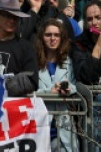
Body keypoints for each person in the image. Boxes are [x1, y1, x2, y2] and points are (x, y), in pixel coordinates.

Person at [34, 19, 77, 152]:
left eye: (56, 35)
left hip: (63, 127)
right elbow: (30, 91)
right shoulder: (33, 61)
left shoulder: (68, 61)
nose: (53, 38)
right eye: (48, 35)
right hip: (41, 125)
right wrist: (49, 91)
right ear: (42, 37)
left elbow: (75, 85)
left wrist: (68, 88)